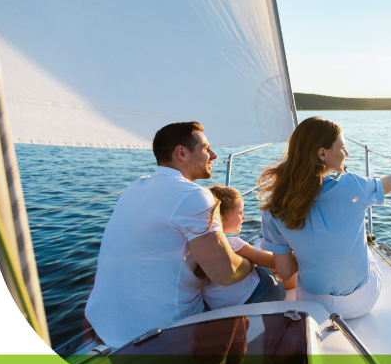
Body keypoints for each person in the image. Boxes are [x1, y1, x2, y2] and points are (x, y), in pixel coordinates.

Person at [85, 122, 283, 349]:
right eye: (206, 148)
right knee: (266, 282)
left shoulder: (135, 187)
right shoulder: (194, 195)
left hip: (107, 324)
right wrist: (251, 263)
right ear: (181, 153)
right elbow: (225, 273)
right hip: (164, 328)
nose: (214, 155)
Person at [258, 116, 391, 319]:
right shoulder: (352, 186)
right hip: (361, 302)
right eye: (341, 148)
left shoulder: (274, 208)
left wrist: (310, 253)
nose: (346, 154)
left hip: (313, 305)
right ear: (322, 153)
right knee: (366, 245)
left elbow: (285, 272)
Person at [192, 185, 293, 311]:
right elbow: (275, 263)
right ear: (222, 217)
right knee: (274, 272)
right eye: (240, 213)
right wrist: (295, 252)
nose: (244, 217)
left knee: (260, 265)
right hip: (260, 295)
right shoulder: (234, 245)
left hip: (221, 306)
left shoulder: (194, 249)